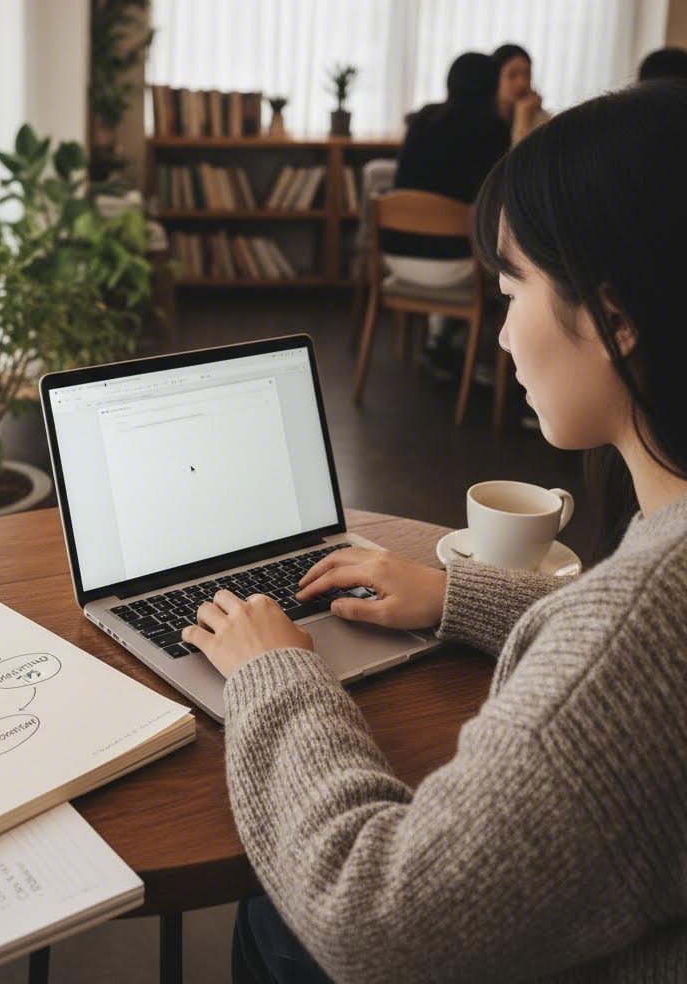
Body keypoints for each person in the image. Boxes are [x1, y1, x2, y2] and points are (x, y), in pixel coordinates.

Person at [183, 78, 687, 982]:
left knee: (275, 905)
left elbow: (369, 915)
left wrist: (274, 673)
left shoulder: (637, 630)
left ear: (613, 319)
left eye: (509, 291)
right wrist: (457, 594)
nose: (499, 336)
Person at [382, 52, 510, 380]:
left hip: (397, 258)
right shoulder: (493, 130)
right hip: (453, 266)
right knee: (507, 272)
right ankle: (488, 366)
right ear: (492, 87)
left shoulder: (423, 119)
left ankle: (443, 344)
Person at [493, 42, 549, 143]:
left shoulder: (539, 117)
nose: (522, 83)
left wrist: (526, 114)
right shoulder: (483, 120)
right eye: (512, 75)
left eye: (527, 74)